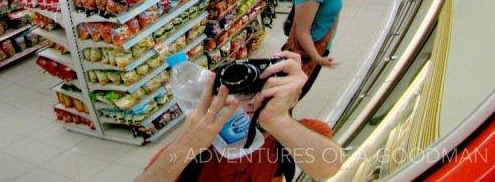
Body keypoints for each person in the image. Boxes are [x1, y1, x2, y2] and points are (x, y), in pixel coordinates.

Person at [136, 51, 343, 182]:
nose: (249, 101)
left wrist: (277, 121)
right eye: (237, 92)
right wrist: (184, 148)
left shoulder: (296, 133)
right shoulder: (198, 145)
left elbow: (328, 168)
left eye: (256, 87)